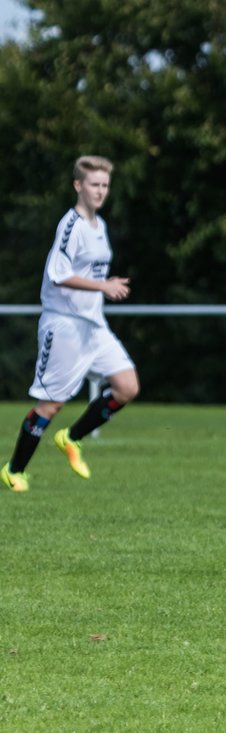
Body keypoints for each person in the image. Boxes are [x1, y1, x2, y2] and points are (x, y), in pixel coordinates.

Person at [2, 155, 139, 494]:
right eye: (94, 184)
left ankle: (71, 438)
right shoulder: (71, 225)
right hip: (63, 325)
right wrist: (104, 286)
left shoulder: (100, 226)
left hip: (93, 325)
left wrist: (102, 286)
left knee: (127, 387)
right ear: (78, 186)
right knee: (51, 404)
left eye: (105, 185)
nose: (100, 191)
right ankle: (13, 470)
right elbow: (58, 274)